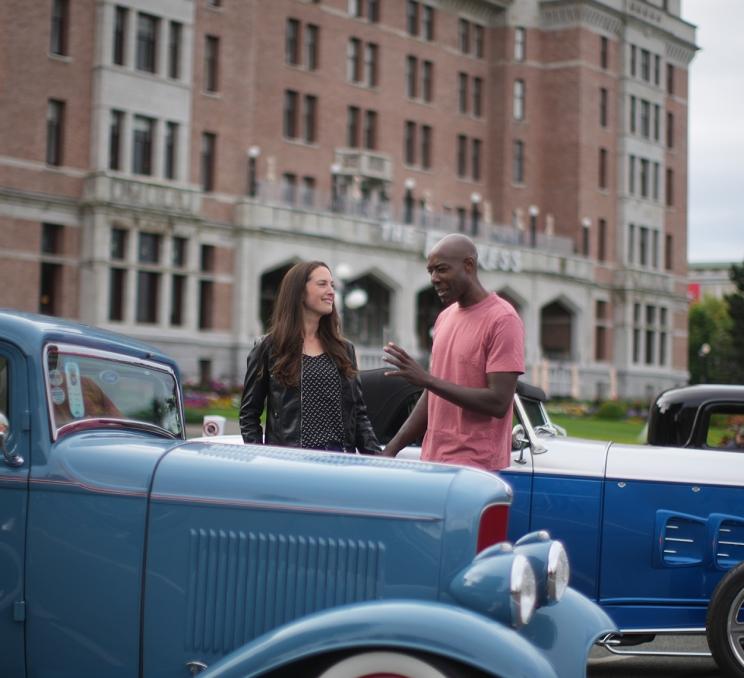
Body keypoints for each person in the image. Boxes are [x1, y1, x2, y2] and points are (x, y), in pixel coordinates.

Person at [382, 233, 524, 472]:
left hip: (475, 468)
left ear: (468, 266)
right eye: (431, 272)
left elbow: (499, 402)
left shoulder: (503, 319)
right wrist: (390, 450)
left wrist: (427, 379)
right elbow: (433, 395)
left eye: (441, 269)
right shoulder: (445, 317)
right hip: (433, 461)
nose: (434, 279)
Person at [239, 260, 381, 455]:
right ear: (299, 292)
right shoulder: (268, 347)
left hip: (340, 463)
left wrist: (376, 461)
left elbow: (358, 415)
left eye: (332, 284)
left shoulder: (344, 349)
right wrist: (262, 459)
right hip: (290, 464)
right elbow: (249, 414)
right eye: (322, 284)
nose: (331, 291)